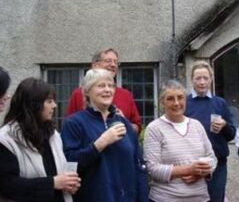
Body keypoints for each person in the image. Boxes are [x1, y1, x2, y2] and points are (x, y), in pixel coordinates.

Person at [61, 69, 148, 202]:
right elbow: (70, 164)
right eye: (101, 86)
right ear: (87, 91)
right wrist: (100, 144)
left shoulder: (123, 122)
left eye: (111, 86)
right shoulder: (74, 123)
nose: (107, 90)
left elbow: (139, 165)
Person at [0, 77, 81, 202]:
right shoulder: (6, 139)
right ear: (33, 105)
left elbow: (60, 174)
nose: (54, 105)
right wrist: (52, 183)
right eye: (49, 101)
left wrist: (69, 184)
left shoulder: (54, 135)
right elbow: (7, 185)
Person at [143, 80, 217, 202]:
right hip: (166, 198)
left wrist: (199, 174)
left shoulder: (196, 125)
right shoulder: (154, 128)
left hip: (200, 198)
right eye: (170, 99)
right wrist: (188, 169)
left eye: (180, 98)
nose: (177, 103)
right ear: (162, 103)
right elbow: (153, 168)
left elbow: (212, 159)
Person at [185, 60, 236, 202]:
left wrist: (224, 125)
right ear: (192, 80)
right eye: (198, 78)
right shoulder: (184, 103)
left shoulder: (220, 103)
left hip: (217, 164)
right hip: (192, 163)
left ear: (211, 79)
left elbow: (231, 134)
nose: (202, 82)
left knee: (215, 199)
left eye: (205, 78)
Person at [65, 48, 141, 133]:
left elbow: (137, 128)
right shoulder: (79, 93)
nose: (113, 65)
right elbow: (69, 128)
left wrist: (124, 122)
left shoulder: (126, 95)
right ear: (95, 65)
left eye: (116, 62)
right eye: (108, 61)